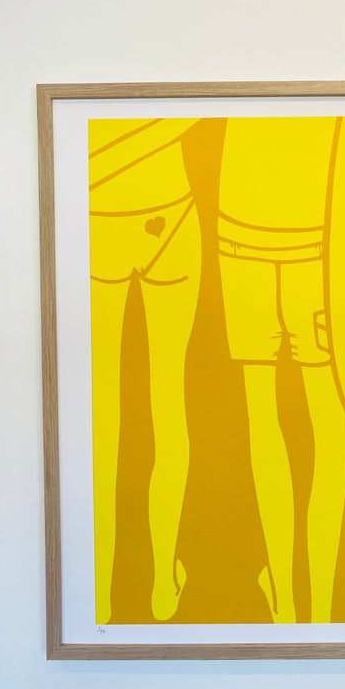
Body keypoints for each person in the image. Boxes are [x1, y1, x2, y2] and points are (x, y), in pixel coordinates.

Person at [216, 114, 345, 622]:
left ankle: (285, 602)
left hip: (239, 226)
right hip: (318, 240)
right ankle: (321, 607)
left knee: (265, 416)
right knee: (329, 423)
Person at [88, 117, 201, 623]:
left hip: (97, 212)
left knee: (100, 411)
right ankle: (162, 586)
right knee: (168, 401)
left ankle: (100, 591)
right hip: (169, 206)